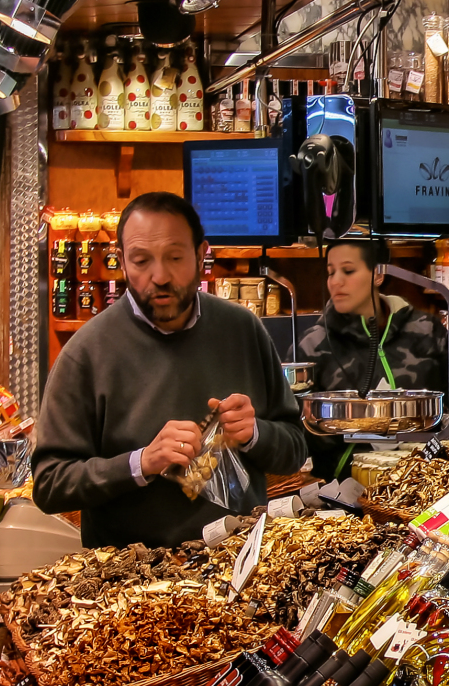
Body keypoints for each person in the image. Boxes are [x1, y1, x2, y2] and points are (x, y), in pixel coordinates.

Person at [33, 191, 309, 548]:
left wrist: (255, 433)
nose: (159, 276)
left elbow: (295, 449)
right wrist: (140, 463)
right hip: (131, 585)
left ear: (200, 255)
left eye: (175, 258)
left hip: (240, 568)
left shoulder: (243, 330)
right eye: (141, 260)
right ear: (121, 261)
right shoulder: (85, 353)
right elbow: (50, 484)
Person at [297, 235, 449, 481]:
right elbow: (295, 431)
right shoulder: (313, 345)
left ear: (379, 274)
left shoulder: (425, 330)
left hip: (430, 481)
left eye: (348, 270)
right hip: (347, 488)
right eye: (331, 272)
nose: (336, 282)